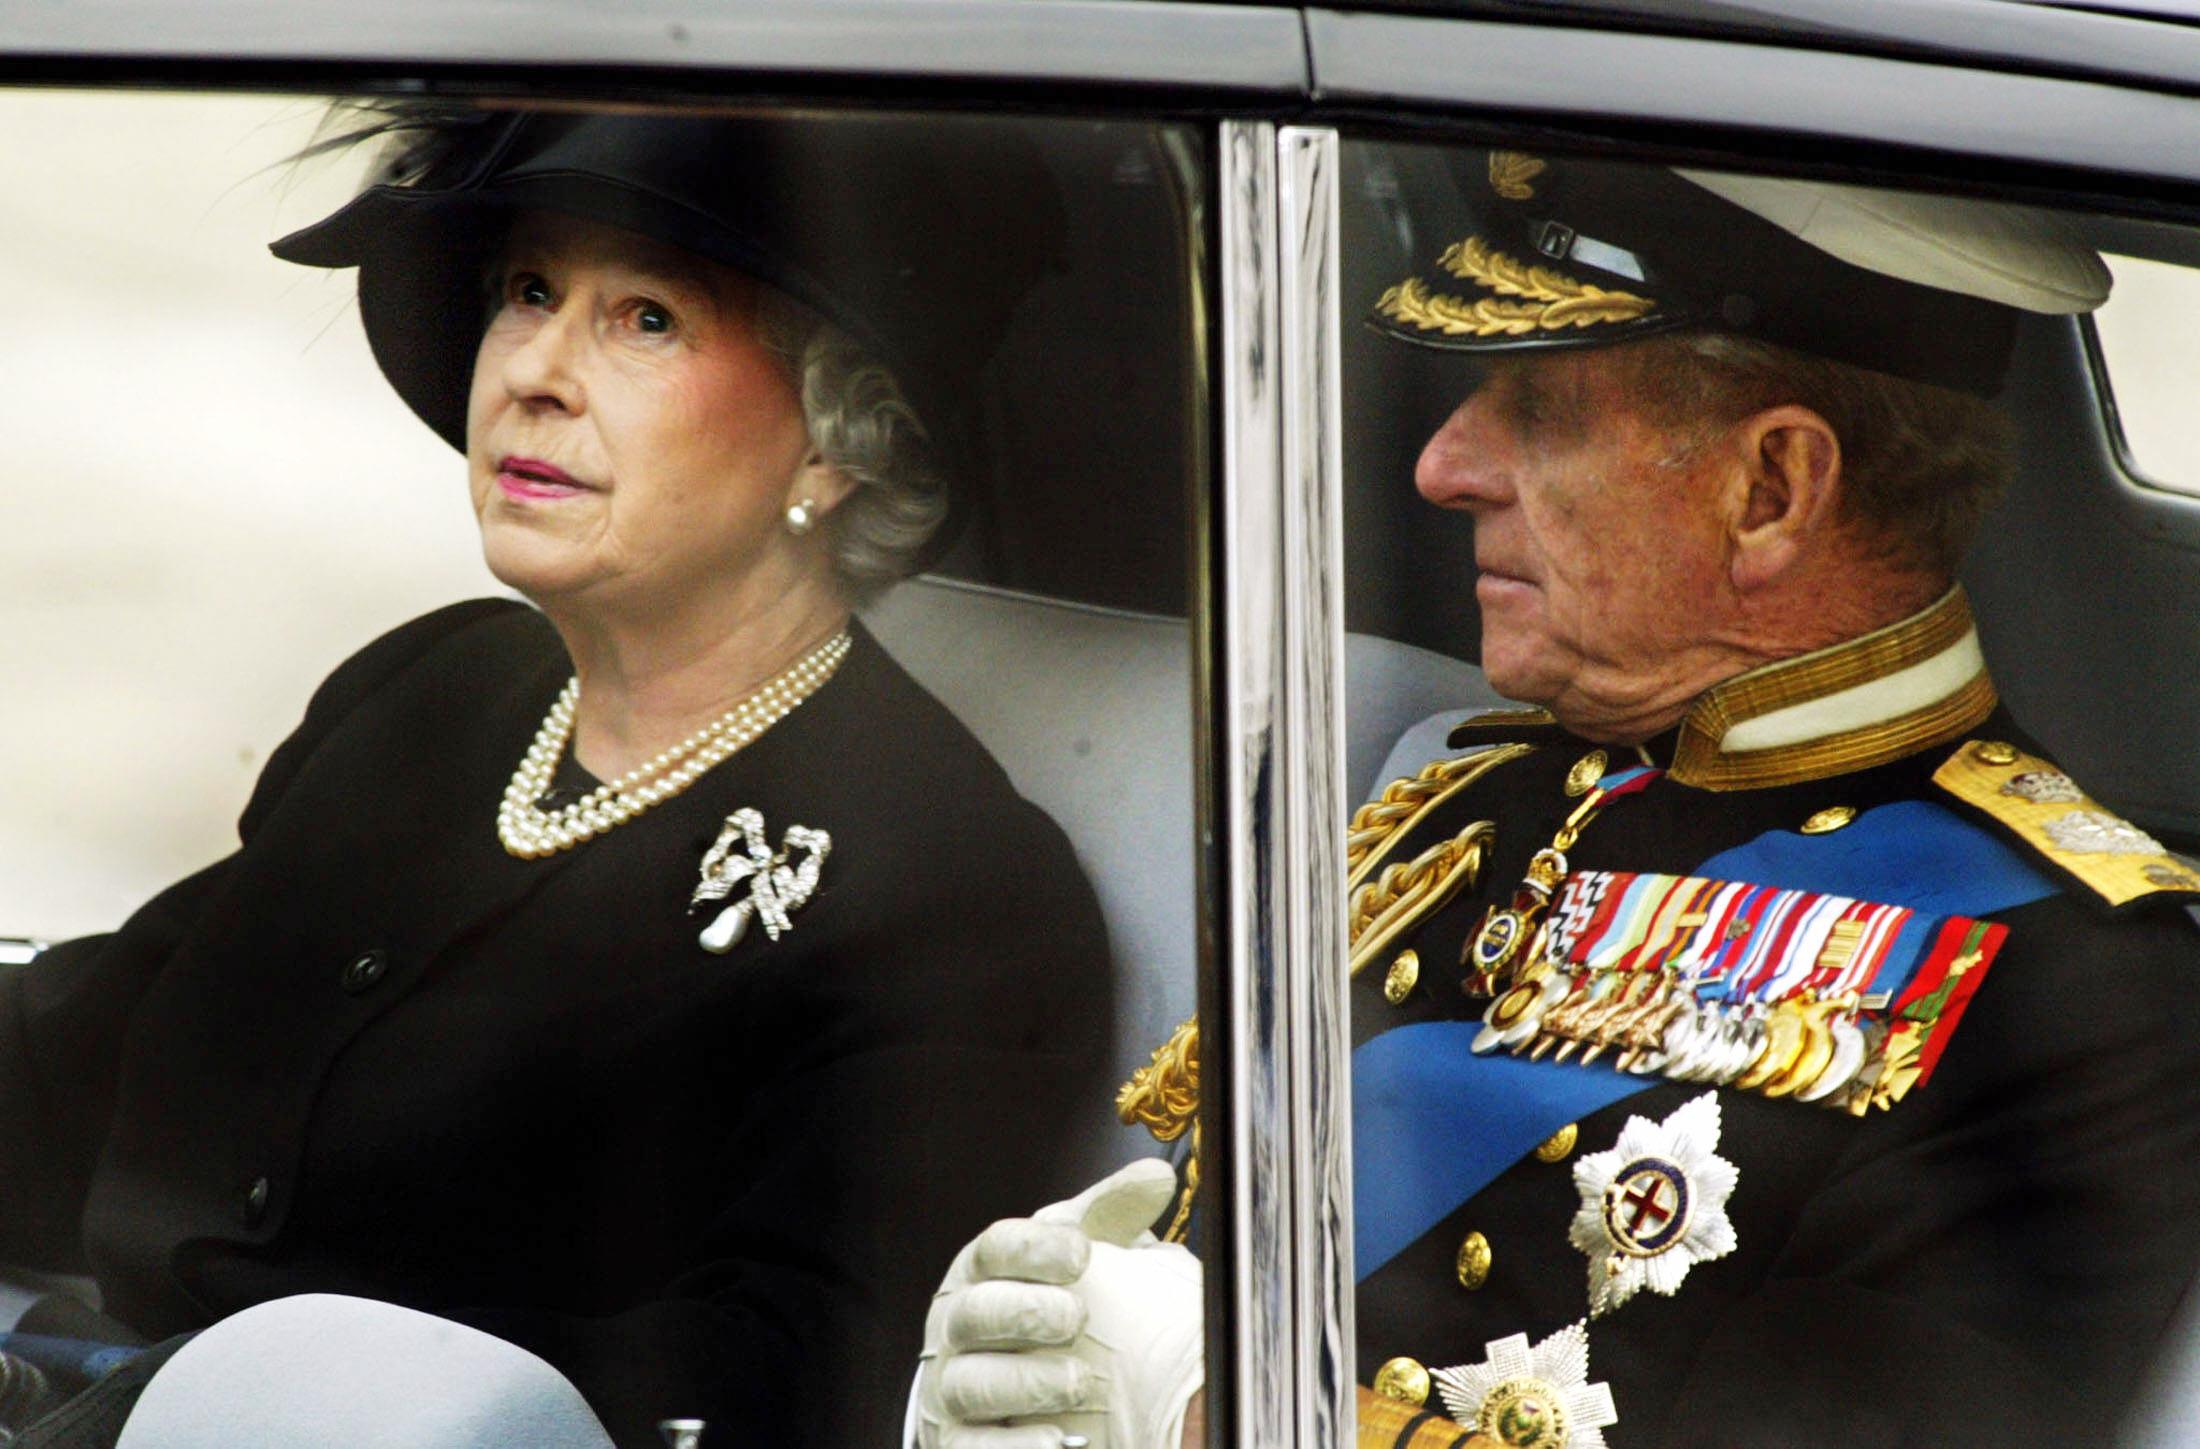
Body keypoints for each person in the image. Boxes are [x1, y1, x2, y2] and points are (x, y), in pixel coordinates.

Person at [917, 150, 2200, 1448]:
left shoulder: (2079, 994)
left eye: (1536, 411)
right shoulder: (1471, 798)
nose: (1445, 467)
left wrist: (1216, 1411)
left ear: (1771, 490)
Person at [0, 107, 1112, 1448]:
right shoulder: (436, 696)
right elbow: (88, 1055)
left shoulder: (950, 888)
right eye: (530, 290)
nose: (534, 367)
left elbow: (785, 1377)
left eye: (645, 318)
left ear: (839, 437)